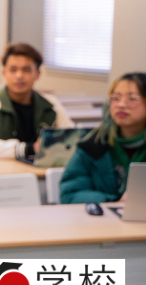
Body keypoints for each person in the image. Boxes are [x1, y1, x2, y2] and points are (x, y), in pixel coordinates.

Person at [0, 43, 73, 159]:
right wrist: (28, 148)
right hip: (1, 171)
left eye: (26, 70)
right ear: (4, 73)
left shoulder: (52, 104)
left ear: (38, 74)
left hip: (42, 170)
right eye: (13, 70)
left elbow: (71, 136)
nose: (19, 75)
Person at [61, 72, 146, 204]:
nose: (121, 104)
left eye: (132, 98)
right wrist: (112, 202)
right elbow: (70, 193)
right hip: (103, 220)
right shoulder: (94, 143)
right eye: (116, 98)